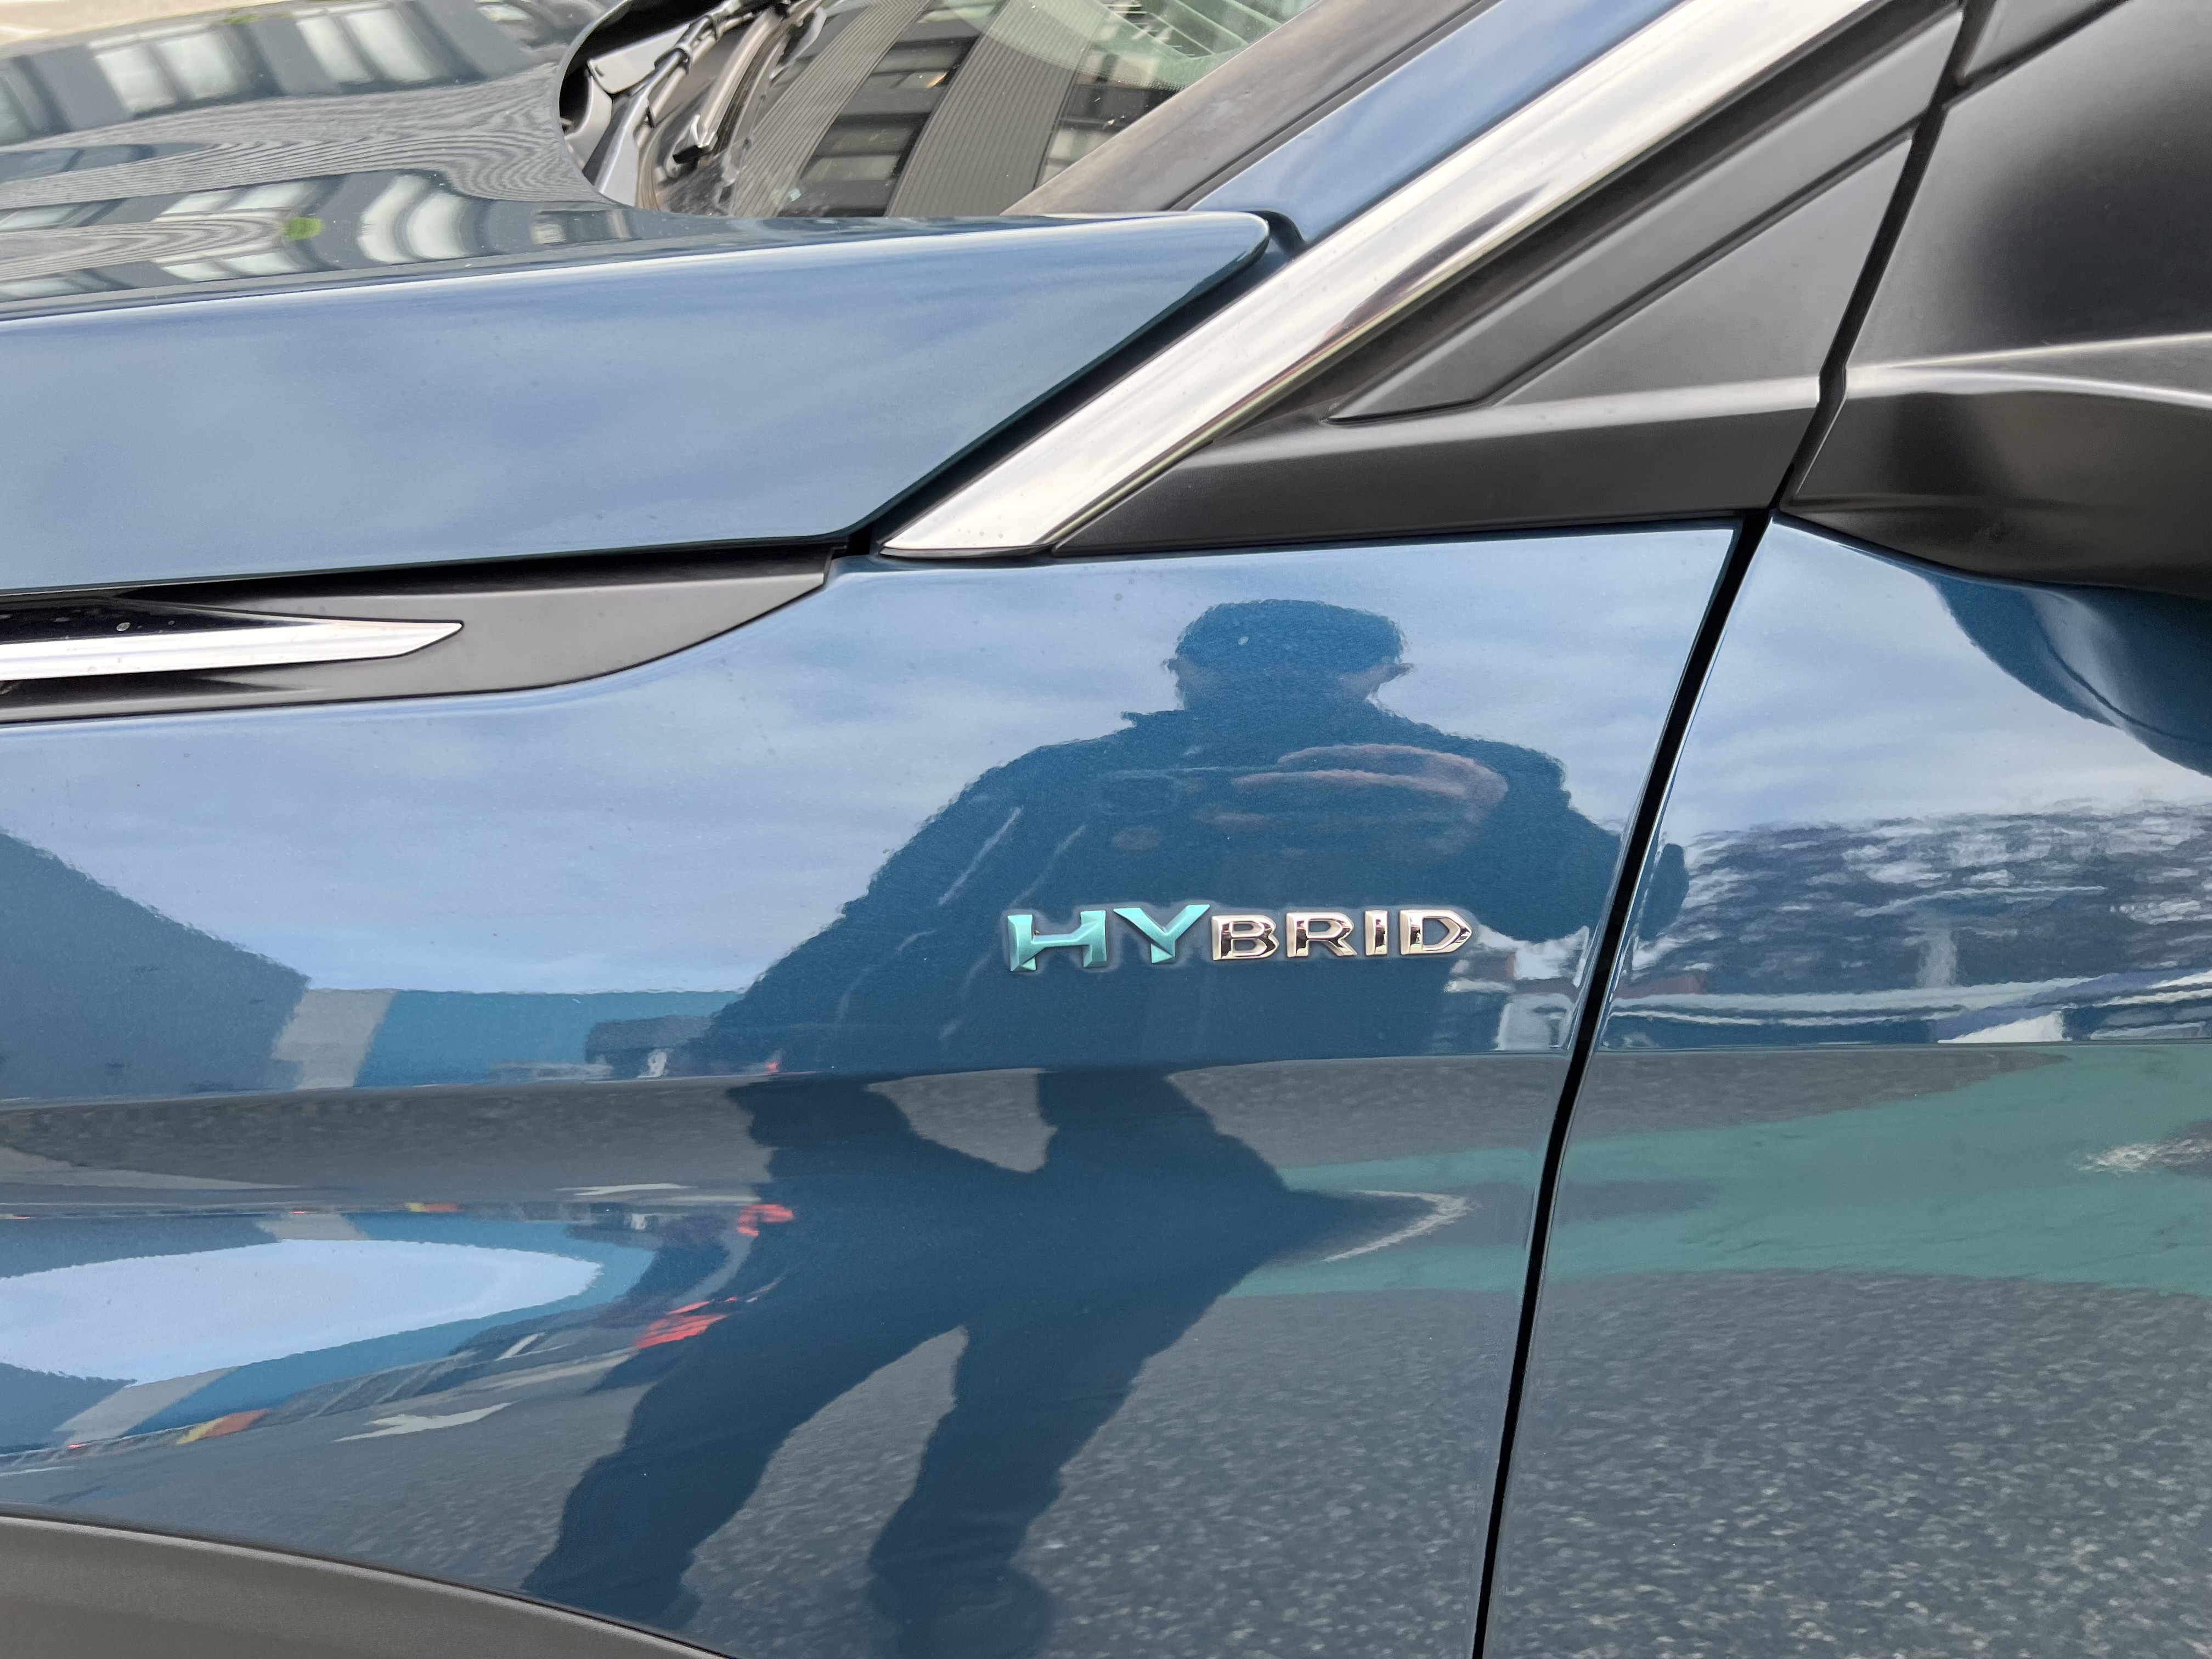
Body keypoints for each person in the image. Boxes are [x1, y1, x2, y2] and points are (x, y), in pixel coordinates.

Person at [696, 598, 1632, 1074]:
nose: (1279, 688)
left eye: (1320, 669)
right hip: (1011, 1105)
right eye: (1244, 667)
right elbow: (900, 921)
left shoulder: (1466, 781)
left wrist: (1505, 827)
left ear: (1179, 670)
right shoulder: (1060, 776)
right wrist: (755, 1037)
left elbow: (1608, 907)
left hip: (1257, 1124)